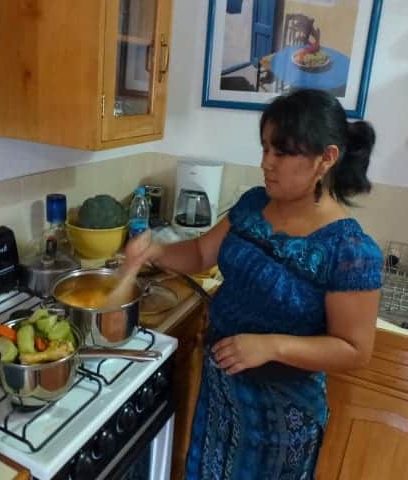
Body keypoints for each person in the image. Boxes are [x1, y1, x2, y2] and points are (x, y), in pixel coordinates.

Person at [124, 89, 383, 479]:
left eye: (281, 153)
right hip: (221, 393)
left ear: (326, 159)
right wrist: (153, 252)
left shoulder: (350, 250)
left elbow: (354, 349)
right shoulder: (252, 204)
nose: (266, 163)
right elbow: (199, 255)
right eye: (264, 149)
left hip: (281, 419)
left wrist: (271, 346)